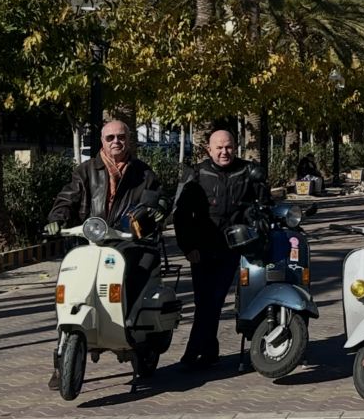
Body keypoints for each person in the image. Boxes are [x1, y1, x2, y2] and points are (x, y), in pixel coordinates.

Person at [44, 120, 161, 390]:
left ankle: (130, 329)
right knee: (69, 293)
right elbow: (66, 199)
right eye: (110, 137)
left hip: (128, 241)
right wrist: (57, 219)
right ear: (102, 141)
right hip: (89, 242)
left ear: (129, 139)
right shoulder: (85, 171)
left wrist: (156, 210)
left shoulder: (144, 173)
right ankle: (60, 362)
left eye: (121, 136)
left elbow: (157, 198)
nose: (116, 141)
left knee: (135, 272)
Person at [172, 130, 272, 369]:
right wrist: (188, 247)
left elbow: (265, 205)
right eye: (218, 148)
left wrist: (256, 220)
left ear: (236, 146)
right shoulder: (195, 174)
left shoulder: (249, 172)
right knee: (203, 302)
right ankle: (210, 352)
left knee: (214, 300)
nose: (224, 152)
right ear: (209, 149)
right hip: (201, 249)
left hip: (232, 249)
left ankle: (192, 351)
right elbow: (180, 215)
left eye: (228, 147)